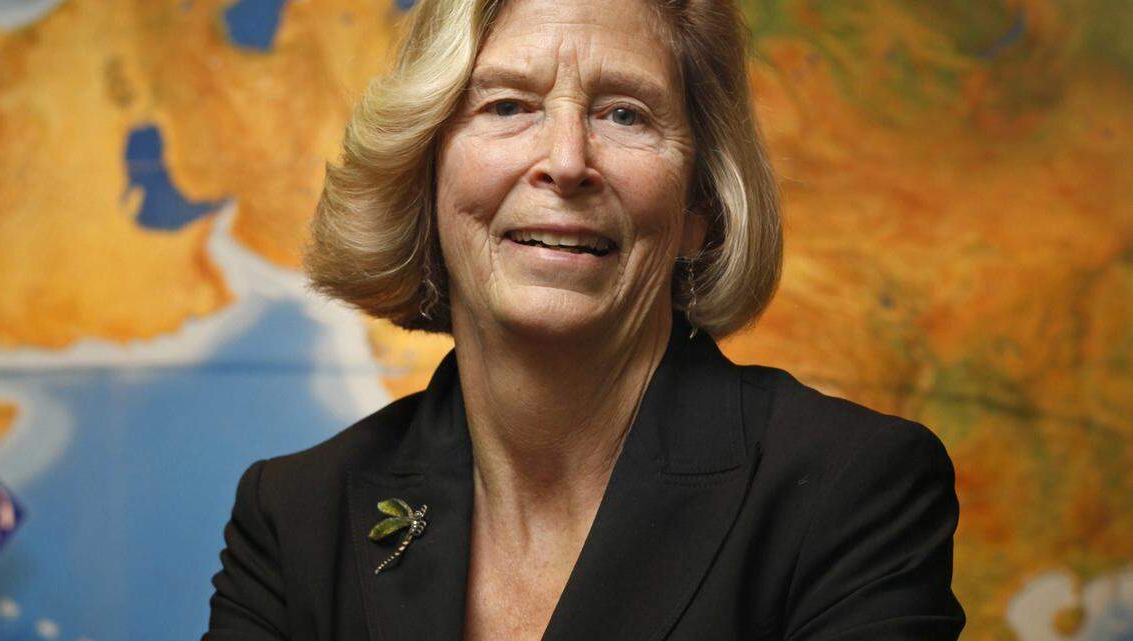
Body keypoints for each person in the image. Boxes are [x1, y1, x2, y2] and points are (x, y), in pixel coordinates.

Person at [203, 0, 966, 638]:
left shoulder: (851, 490)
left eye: (625, 114)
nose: (566, 162)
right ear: (424, 176)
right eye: (507, 105)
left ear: (700, 204)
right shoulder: (297, 516)